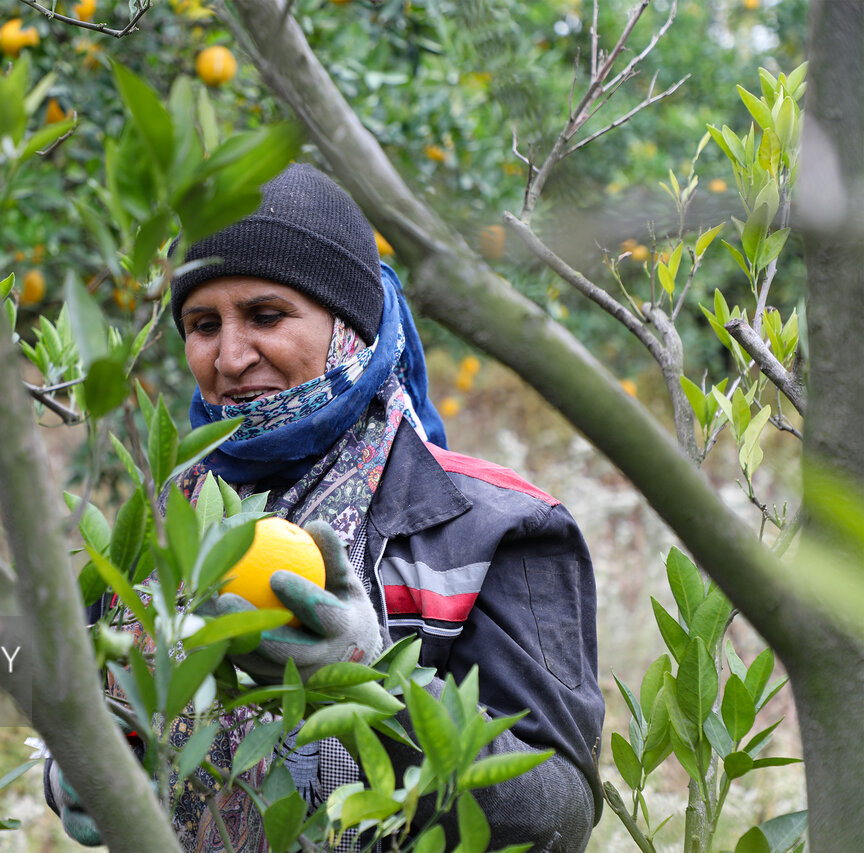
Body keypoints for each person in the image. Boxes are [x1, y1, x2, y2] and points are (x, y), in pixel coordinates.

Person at [45, 163, 603, 852]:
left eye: (265, 315)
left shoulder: (491, 526)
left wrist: (374, 689)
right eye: (201, 323)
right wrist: (77, 774)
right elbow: (115, 714)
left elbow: (561, 817)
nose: (230, 355)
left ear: (348, 320)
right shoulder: (163, 519)